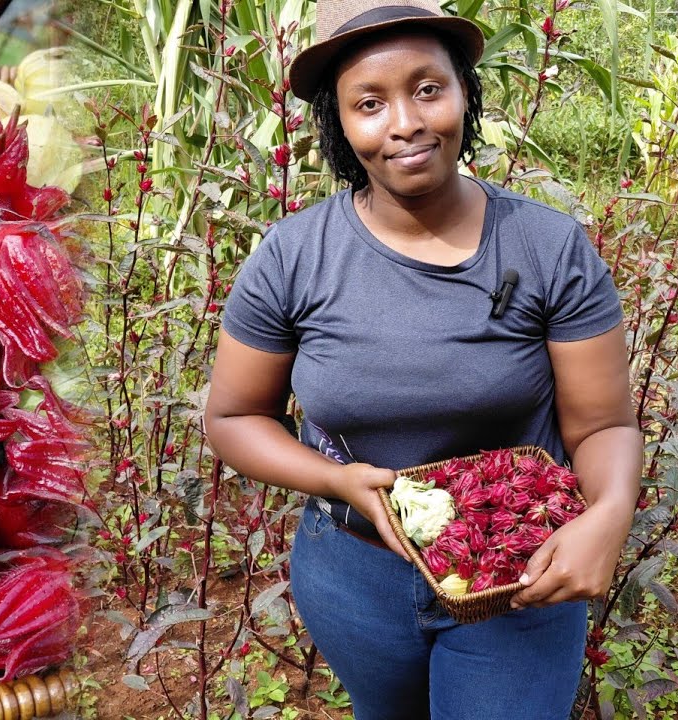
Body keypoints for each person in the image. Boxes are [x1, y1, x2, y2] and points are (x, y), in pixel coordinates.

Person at [202, 0, 643, 718]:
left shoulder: (546, 247)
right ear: (339, 125)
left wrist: (611, 513)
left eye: (428, 88)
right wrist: (337, 480)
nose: (405, 122)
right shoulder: (293, 257)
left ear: (465, 93)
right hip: (355, 574)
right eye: (369, 103)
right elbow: (232, 416)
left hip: (519, 567)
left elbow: (602, 426)